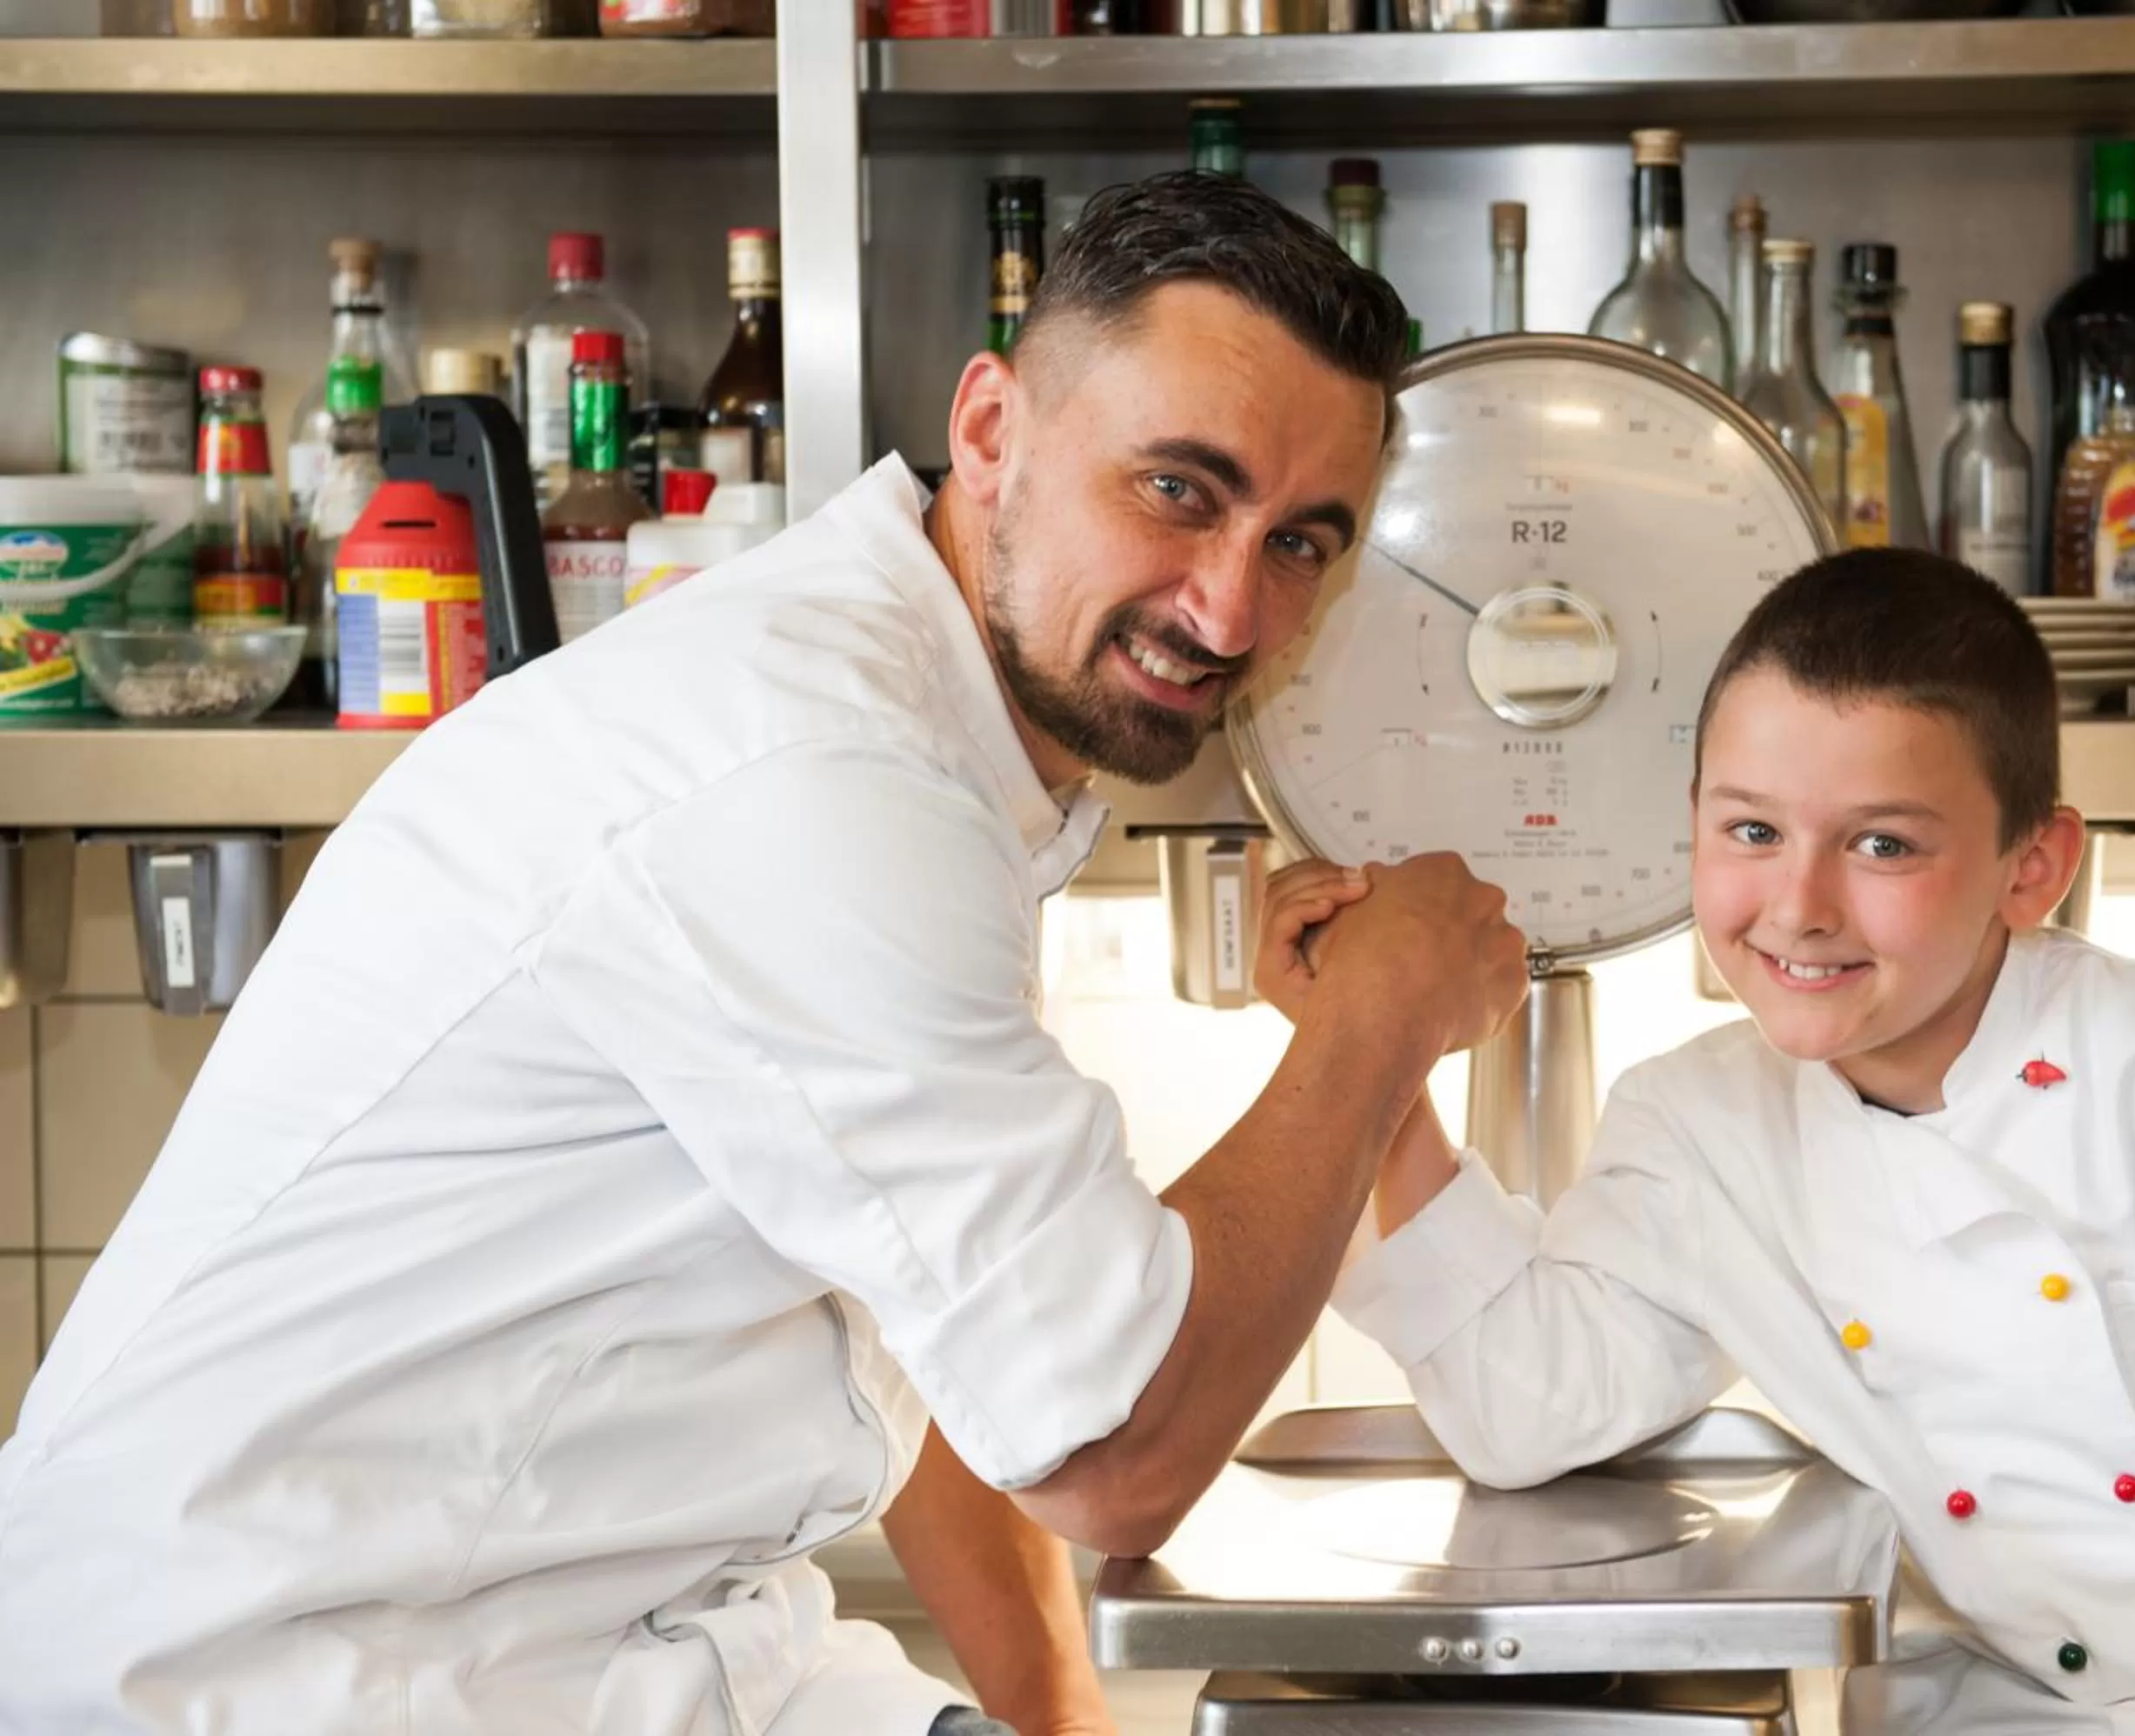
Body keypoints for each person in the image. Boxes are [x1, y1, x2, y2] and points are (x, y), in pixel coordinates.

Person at [0, 173, 1528, 1735]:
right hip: (274, 1681)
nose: (1228, 607)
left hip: (596, 1645)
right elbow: (1113, 1449)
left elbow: (957, 1325)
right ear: (993, 430)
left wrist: (1060, 1721)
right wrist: (1379, 1024)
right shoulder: (822, 771)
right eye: (1180, 493)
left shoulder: (941, 738)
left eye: (1301, 543)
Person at [1288, 550, 2135, 1734]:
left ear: (2035, 867)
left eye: (1883, 845)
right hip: (1995, 1711)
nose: (1797, 906)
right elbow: (1526, 1406)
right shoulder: (1702, 1126)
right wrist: (1371, 1050)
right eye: (1750, 831)